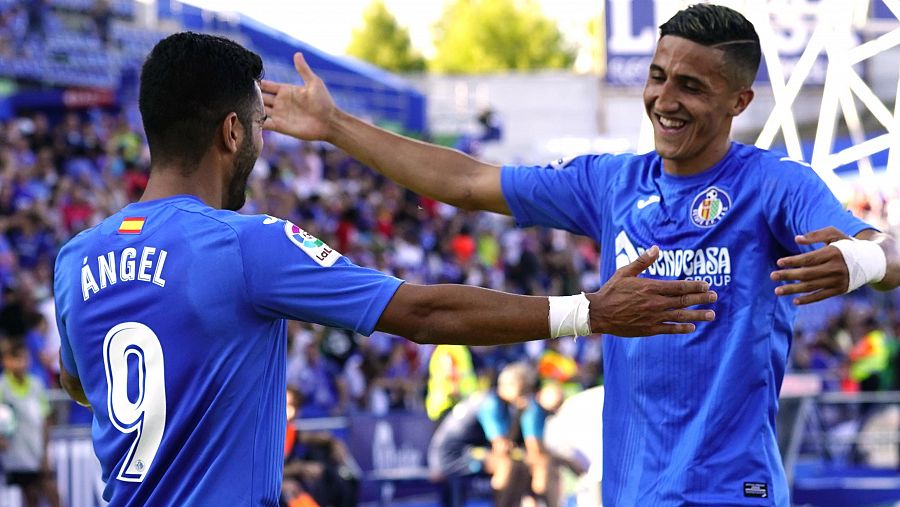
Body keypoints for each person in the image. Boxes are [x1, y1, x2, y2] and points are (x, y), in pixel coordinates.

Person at [260, 4, 900, 505]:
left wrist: (861, 261)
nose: (665, 100)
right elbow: (466, 182)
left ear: (739, 102)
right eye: (657, 77)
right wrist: (336, 126)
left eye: (691, 86)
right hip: (628, 493)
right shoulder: (610, 183)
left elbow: (887, 251)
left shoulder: (775, 186)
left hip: (733, 491)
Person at [52, 32, 716, 506]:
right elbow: (422, 313)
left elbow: (81, 382)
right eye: (258, 126)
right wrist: (589, 311)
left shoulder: (75, 259)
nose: (260, 141)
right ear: (231, 133)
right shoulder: (246, 244)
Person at [426, 362, 553, 507]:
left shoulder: (504, 404)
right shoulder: (491, 403)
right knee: (506, 464)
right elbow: (501, 447)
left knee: (522, 466)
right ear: (509, 385)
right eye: (523, 388)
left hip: (469, 451)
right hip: (452, 456)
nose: (526, 393)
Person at [0, 340, 61, 507]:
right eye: (16, 359)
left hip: (38, 451)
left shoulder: (36, 384)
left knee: (52, 493)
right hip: (16, 455)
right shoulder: (2, 387)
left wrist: (45, 453)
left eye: (24, 358)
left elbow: (46, 419)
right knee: (31, 496)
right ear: (6, 361)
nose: (21, 363)